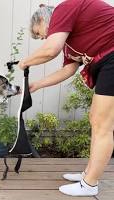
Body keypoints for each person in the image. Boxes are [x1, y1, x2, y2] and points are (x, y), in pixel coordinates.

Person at [18, 0, 114, 197]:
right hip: (107, 61)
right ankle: (88, 174)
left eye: (38, 33)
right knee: (95, 119)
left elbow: (50, 50)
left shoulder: (63, 9)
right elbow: (68, 70)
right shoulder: (70, 44)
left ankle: (89, 185)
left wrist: (26, 61)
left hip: (112, 56)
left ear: (45, 19)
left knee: (102, 124)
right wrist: (37, 85)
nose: (41, 37)